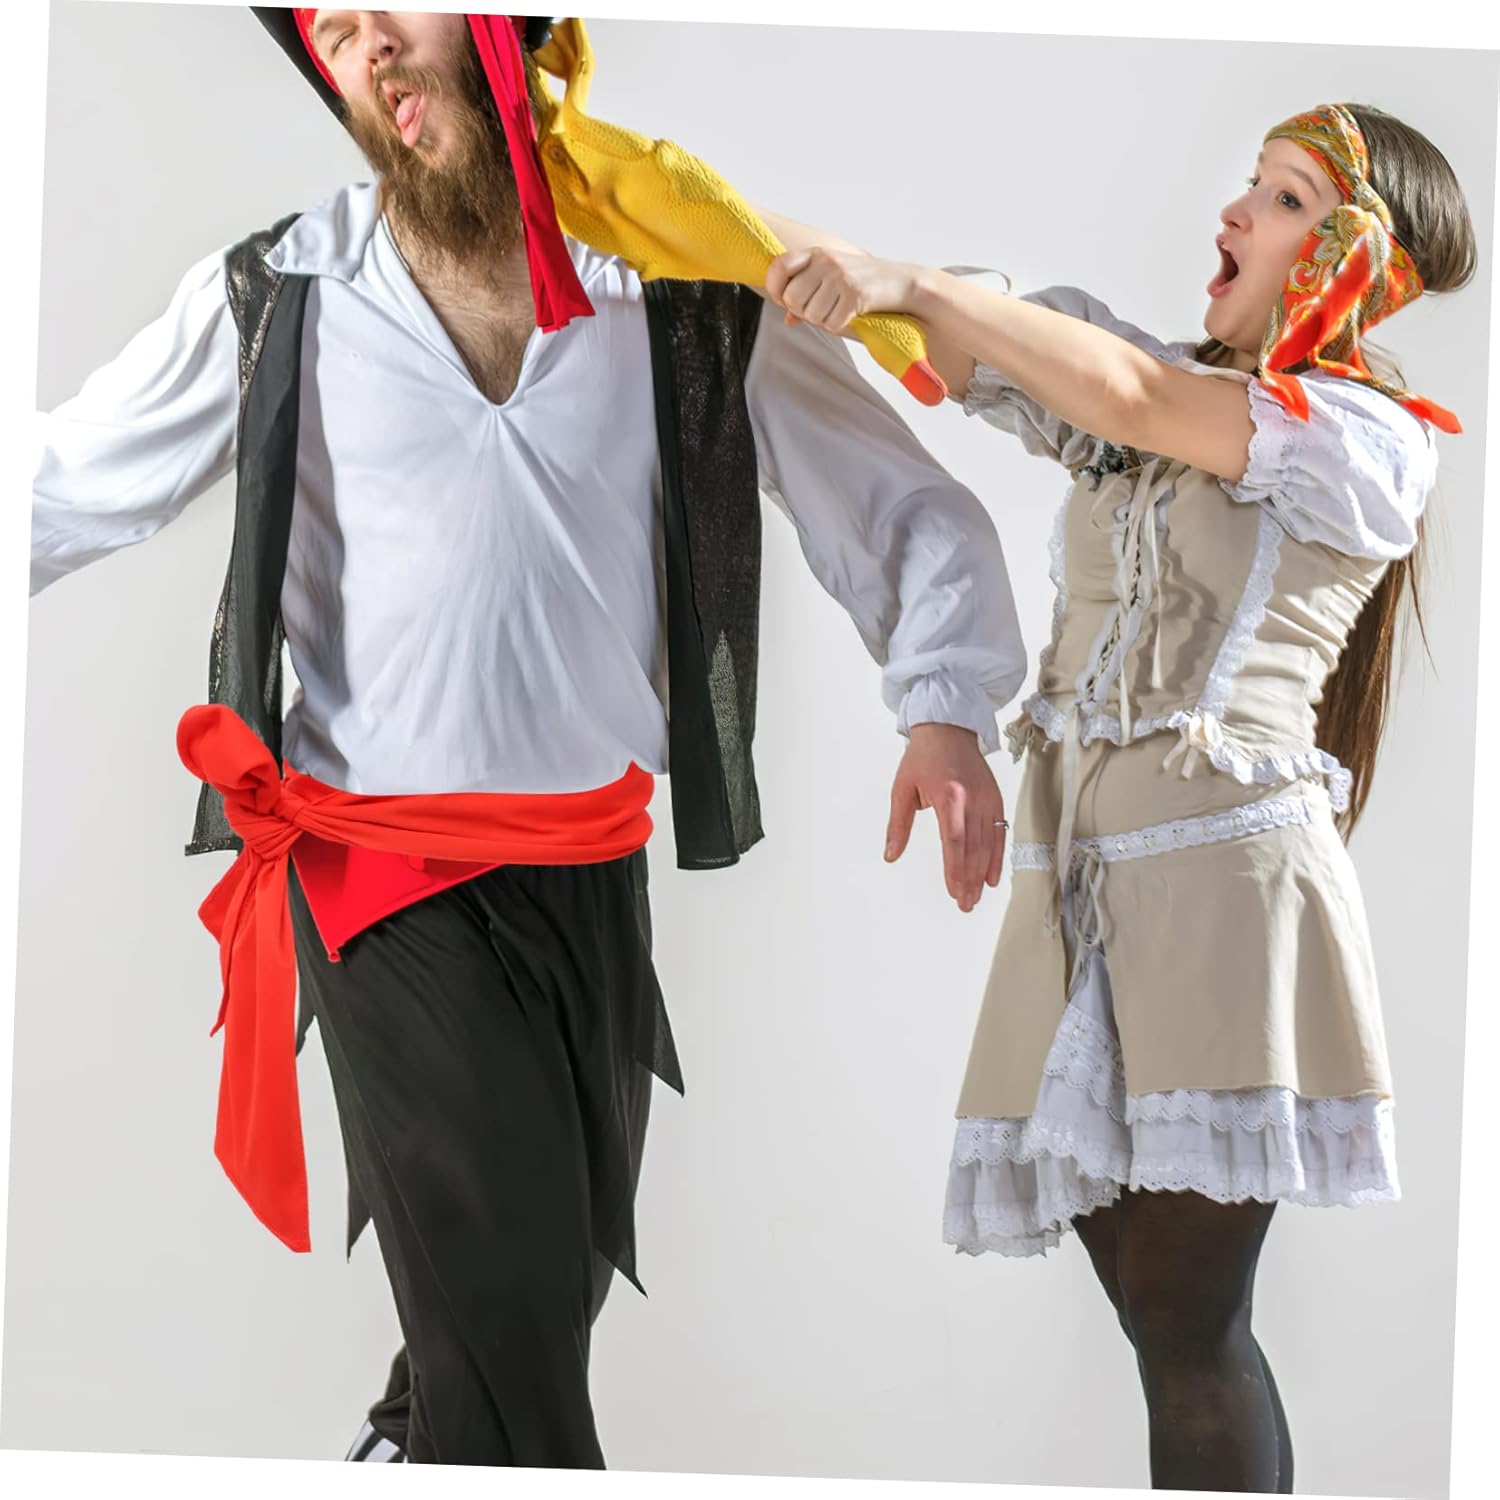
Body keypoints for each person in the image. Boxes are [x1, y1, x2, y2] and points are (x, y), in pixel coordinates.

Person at [29, 9, 1029, 1469]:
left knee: (533, 1304)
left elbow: (897, 500)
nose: (366, 45)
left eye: (388, 5)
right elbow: (56, 484)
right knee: (517, 1366)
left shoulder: (677, 285)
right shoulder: (282, 291)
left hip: (591, 871)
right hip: (377, 886)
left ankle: (401, 1448)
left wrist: (943, 698)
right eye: (331, 31)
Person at [760, 101, 1474, 1492]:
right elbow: (911, 314)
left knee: (1188, 1325)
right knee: (1158, 1319)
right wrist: (613, 188)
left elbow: (1136, 402)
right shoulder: (1135, 378)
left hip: (1224, 893)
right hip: (1080, 891)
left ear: (1352, 254)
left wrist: (914, 283)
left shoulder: (1364, 439)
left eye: (1282, 198)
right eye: (1250, 185)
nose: (1234, 212)